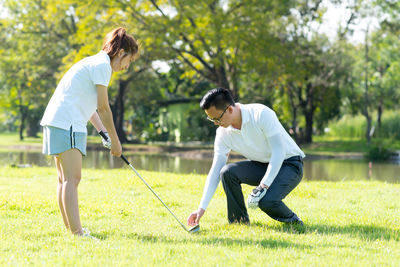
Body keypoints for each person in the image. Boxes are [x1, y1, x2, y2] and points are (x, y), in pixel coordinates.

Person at [40, 27, 139, 237]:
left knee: (64, 179)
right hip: (67, 122)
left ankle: (72, 230)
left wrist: (104, 132)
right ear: (121, 53)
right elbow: (104, 108)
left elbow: (92, 107)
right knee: (72, 179)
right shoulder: (102, 66)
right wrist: (116, 140)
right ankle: (77, 234)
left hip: (57, 120)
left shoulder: (94, 63)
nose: (126, 67)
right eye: (128, 61)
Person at [187, 88, 305, 227]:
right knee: (227, 172)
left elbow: (278, 152)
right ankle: (239, 223)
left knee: (266, 201)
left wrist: (263, 186)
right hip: (262, 165)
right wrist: (201, 208)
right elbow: (216, 170)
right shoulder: (223, 133)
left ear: (230, 109)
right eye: (211, 119)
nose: (215, 123)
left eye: (217, 118)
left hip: (290, 164)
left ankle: (294, 222)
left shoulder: (261, 113)